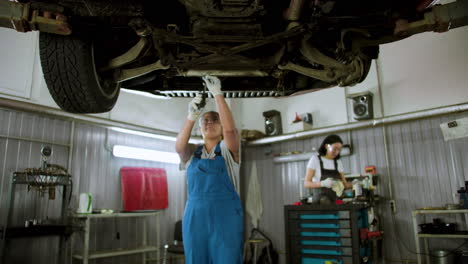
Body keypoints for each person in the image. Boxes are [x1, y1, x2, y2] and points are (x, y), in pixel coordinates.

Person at [175, 75, 243, 264]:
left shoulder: (228, 151)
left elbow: (231, 132)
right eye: (204, 121)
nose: (209, 123)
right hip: (195, 217)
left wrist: (218, 95)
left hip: (226, 216)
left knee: (227, 259)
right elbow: (179, 147)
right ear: (199, 129)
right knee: (196, 259)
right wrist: (191, 117)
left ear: (221, 128)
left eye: (214, 120)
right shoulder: (192, 153)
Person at [304, 134, 351, 204]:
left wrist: (356, 184)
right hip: (320, 203)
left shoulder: (338, 162)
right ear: (326, 146)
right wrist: (323, 183)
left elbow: (344, 184)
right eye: (334, 148)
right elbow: (306, 183)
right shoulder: (315, 159)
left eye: (339, 150)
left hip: (336, 202)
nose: (337, 152)